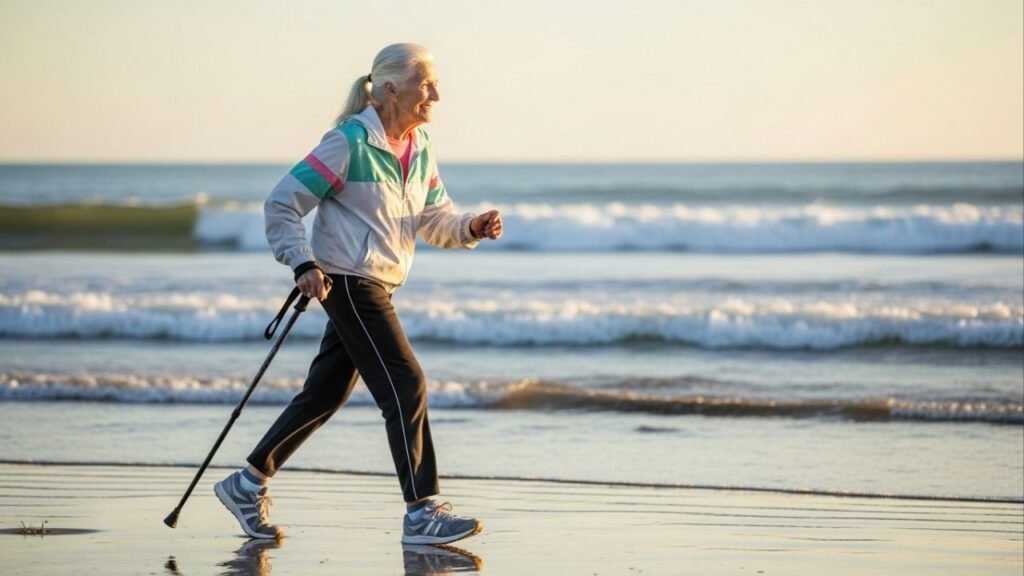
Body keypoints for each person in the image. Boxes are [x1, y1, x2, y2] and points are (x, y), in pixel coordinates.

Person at [214, 43, 502, 546]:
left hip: (378, 282)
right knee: (405, 382)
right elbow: (282, 202)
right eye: (425, 82)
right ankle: (421, 511)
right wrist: (301, 260)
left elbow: (433, 218)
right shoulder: (347, 142)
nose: (436, 92)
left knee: (324, 394)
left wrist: (471, 226)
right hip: (347, 280)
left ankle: (247, 483)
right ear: (391, 89)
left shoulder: (420, 148)